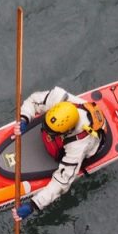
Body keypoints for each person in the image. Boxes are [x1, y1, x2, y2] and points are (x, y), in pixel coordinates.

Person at [11, 86, 107, 220]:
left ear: (67, 131)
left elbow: (62, 182)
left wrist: (34, 204)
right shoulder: (59, 98)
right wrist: (24, 118)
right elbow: (33, 101)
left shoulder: (78, 145)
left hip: (89, 148)